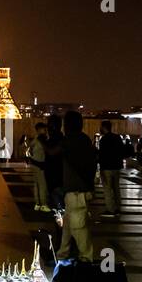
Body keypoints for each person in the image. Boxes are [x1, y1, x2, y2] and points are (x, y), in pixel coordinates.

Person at [56, 111, 97, 262]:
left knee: (79, 228)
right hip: (78, 191)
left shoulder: (70, 140)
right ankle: (62, 254)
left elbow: (53, 151)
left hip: (76, 192)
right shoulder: (84, 140)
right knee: (68, 224)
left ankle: (86, 259)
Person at [97, 120, 124, 217]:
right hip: (116, 167)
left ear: (104, 128)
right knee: (116, 188)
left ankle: (110, 209)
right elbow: (122, 151)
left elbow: (102, 155)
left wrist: (100, 168)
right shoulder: (117, 138)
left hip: (107, 167)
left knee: (107, 189)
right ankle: (118, 208)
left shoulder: (103, 140)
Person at [43, 114, 64, 213]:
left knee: (57, 207)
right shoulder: (61, 138)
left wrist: (43, 143)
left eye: (49, 126)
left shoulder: (56, 140)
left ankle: (61, 227)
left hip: (55, 178)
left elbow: (52, 152)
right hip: (57, 177)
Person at [28, 122, 50, 211]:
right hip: (39, 164)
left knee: (36, 184)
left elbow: (30, 150)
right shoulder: (41, 139)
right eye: (43, 129)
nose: (45, 130)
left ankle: (37, 204)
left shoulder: (35, 140)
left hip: (34, 164)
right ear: (38, 130)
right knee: (42, 185)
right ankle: (43, 204)